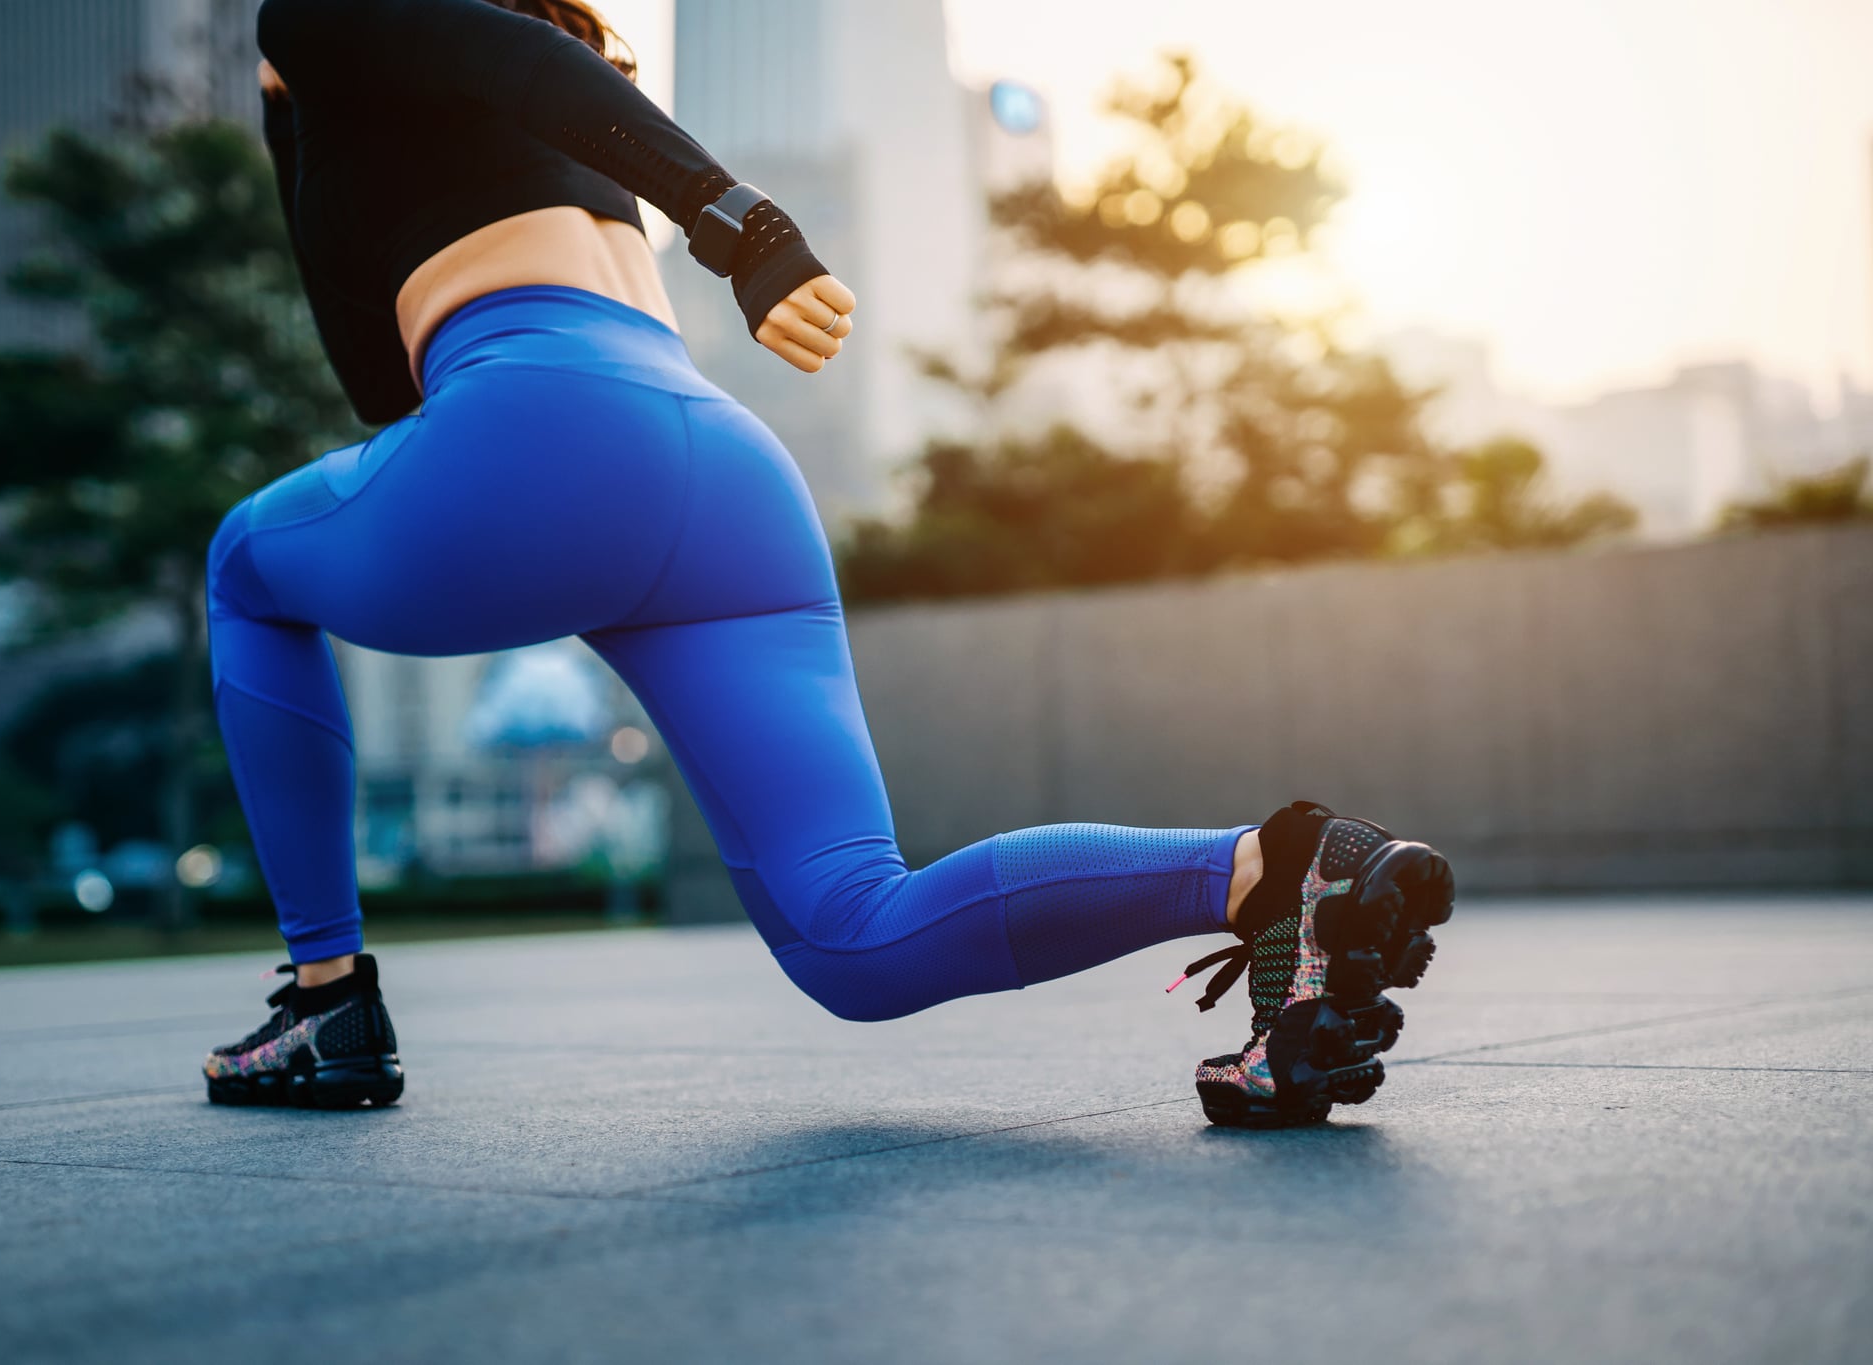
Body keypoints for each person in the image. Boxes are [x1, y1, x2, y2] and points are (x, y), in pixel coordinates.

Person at [204, 0, 1454, 1130]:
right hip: (723, 479)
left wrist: (741, 225)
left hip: (535, 430)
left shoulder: (347, 14)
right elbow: (382, 366)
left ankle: (327, 998)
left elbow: (409, 315)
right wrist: (300, 125)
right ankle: (1273, 869)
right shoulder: (471, 77)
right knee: (852, 939)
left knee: (244, 569)